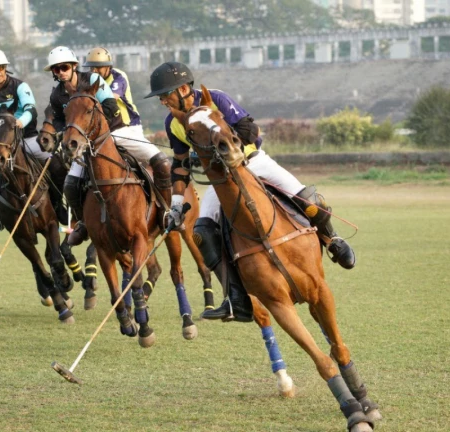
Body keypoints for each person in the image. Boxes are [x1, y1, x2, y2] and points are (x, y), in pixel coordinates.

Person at [145, 61, 356, 322]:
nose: (163, 101)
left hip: (252, 162)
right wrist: (176, 204)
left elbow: (251, 132)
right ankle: (235, 298)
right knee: (203, 233)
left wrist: (219, 148)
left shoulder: (216, 99)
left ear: (183, 89)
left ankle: (332, 240)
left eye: (165, 95)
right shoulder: (173, 123)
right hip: (221, 178)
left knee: (309, 199)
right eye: (161, 98)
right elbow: (179, 164)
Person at [45, 46, 173, 246]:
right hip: (86, 143)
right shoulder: (57, 95)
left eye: (64, 67)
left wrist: (92, 128)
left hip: (116, 131)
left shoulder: (94, 81)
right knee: (70, 184)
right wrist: (67, 133)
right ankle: (83, 223)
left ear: (73, 66)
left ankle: (166, 212)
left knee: (162, 162)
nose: (61, 72)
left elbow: (111, 107)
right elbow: (60, 120)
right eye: (56, 69)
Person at [0, 48, 52, 237]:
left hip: (27, 138)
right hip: (2, 144)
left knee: (55, 162)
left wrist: (19, 123)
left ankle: (59, 207)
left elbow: (31, 109)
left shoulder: (20, 86)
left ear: (6, 68)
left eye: (0, 68)